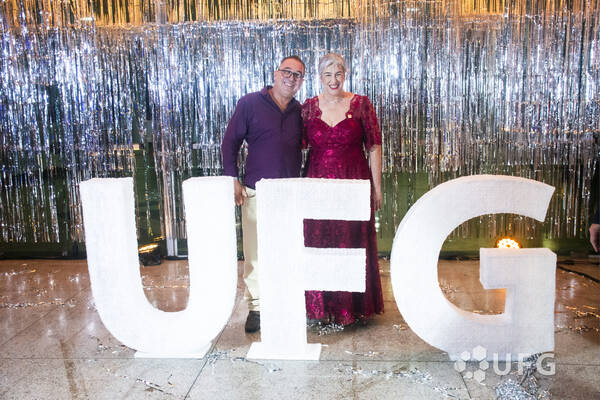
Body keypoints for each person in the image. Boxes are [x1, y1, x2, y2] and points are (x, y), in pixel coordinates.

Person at [221, 56, 305, 333]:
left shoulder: (300, 111)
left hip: (290, 193)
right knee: (255, 253)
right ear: (276, 73)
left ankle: (284, 300)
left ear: (301, 82)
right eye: (287, 72)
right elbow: (230, 143)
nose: (291, 78)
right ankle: (257, 307)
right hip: (256, 191)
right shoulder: (250, 103)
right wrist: (232, 178)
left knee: (287, 250)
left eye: (297, 75)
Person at [302, 53, 384, 325]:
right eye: (328, 74)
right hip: (317, 186)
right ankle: (321, 306)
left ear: (345, 75)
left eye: (338, 74)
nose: (333, 80)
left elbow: (374, 147)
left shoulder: (361, 104)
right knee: (320, 242)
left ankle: (352, 308)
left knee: (352, 242)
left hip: (353, 182)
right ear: (320, 77)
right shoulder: (308, 108)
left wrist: (377, 188)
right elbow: (295, 145)